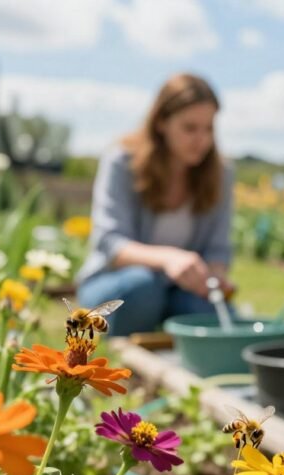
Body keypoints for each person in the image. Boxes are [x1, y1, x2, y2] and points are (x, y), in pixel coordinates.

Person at [76, 73, 234, 335]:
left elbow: (218, 250)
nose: (202, 140)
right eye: (190, 128)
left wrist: (214, 278)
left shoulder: (220, 173)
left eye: (209, 129)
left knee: (209, 311)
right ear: (162, 122)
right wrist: (168, 259)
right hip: (117, 282)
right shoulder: (123, 162)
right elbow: (110, 242)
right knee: (141, 288)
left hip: (179, 290)